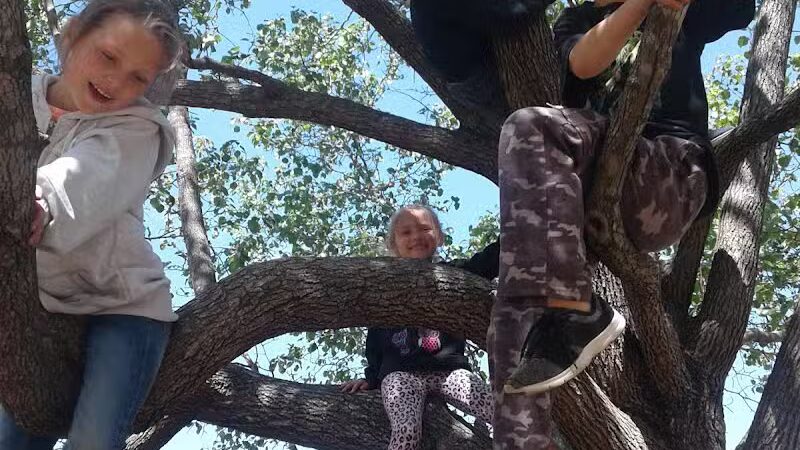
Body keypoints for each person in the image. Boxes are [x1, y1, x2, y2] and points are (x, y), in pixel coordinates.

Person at [492, 0, 755, 402]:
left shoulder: (684, 16)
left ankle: (570, 307)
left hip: (671, 172)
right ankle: (566, 316)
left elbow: (738, 9)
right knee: (530, 136)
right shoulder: (577, 19)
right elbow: (582, 64)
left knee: (530, 126)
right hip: (606, 195)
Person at [0, 1, 183, 448]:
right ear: (72, 37)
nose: (116, 80)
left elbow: (89, 178)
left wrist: (39, 202)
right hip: (41, 308)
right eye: (108, 56)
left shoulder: (136, 129)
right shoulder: (13, 97)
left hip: (120, 310)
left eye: (138, 78)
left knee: (93, 440)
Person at [341, 205, 497, 450]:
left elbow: (488, 262)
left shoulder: (454, 274)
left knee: (501, 412)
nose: (416, 237)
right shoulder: (384, 288)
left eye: (425, 228)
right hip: (400, 375)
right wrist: (371, 378)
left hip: (449, 371)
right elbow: (375, 340)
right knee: (406, 432)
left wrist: (518, 233)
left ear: (440, 235)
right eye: (406, 232)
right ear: (393, 244)